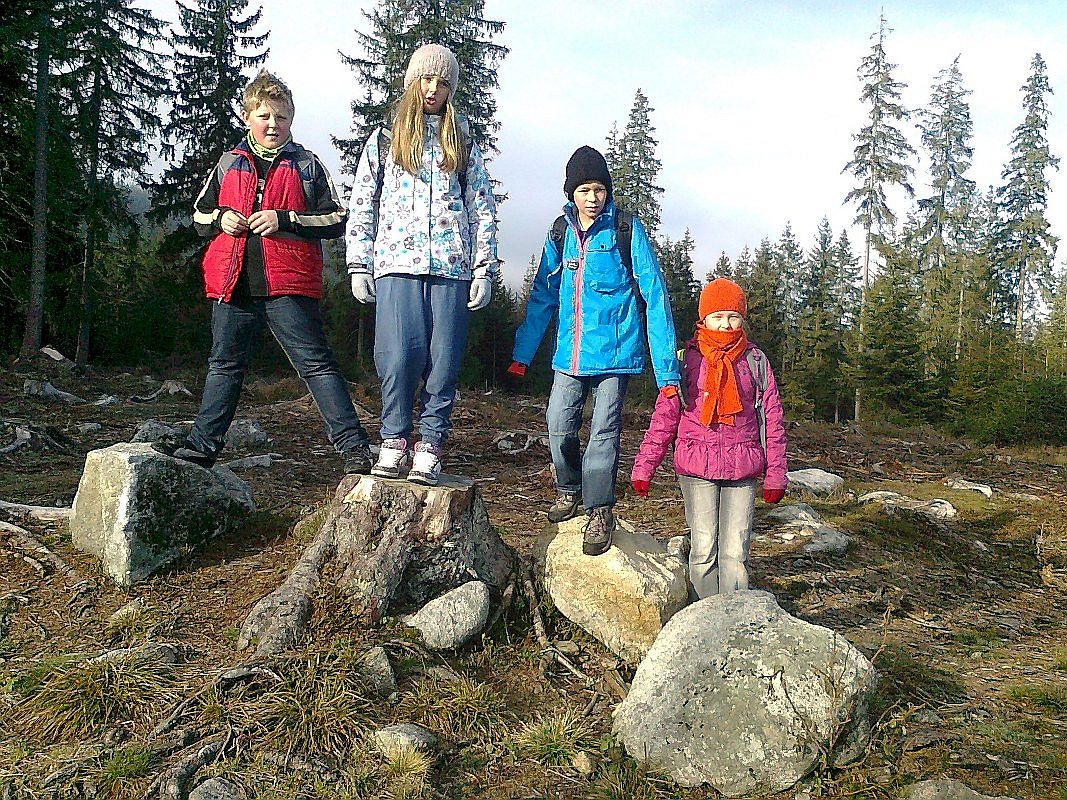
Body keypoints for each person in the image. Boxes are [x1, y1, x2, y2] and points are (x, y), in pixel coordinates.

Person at [154, 69, 372, 473]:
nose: (273, 124)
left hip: (289, 285)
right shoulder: (228, 163)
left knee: (317, 366)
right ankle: (201, 449)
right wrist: (222, 218)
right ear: (247, 116)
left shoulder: (307, 164)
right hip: (233, 284)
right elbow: (199, 215)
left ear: (292, 119)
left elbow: (337, 219)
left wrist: (285, 219)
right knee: (223, 367)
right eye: (264, 116)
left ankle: (355, 450)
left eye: (281, 117)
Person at [509, 145, 679, 556]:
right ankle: (569, 489)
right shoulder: (560, 233)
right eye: (584, 189)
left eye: (599, 189)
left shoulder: (625, 230)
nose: (592, 197)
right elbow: (543, 294)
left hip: (616, 355)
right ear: (571, 192)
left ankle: (600, 508)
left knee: (604, 433)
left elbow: (655, 295)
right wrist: (523, 353)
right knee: (557, 424)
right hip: (570, 354)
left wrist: (667, 372)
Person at [347, 43, 499, 487]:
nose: (433, 89)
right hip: (395, 263)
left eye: (443, 83)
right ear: (413, 82)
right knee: (397, 358)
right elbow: (363, 203)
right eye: (427, 80)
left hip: (451, 268)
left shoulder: (462, 141)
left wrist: (483, 269)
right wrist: (358, 263)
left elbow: (481, 207)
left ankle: (430, 444)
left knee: (443, 362)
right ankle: (393, 439)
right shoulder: (385, 139)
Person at [630, 277, 788, 598]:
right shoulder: (684, 361)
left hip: (743, 468)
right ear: (704, 318)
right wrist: (644, 467)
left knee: (736, 553)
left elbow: (772, 421)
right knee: (703, 550)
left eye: (733, 316)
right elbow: (664, 417)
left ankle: (733, 614)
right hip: (696, 467)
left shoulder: (756, 361)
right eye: (718, 316)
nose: (726, 324)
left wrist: (776, 475)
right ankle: (703, 613)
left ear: (743, 318)